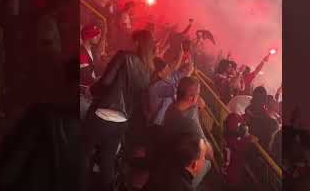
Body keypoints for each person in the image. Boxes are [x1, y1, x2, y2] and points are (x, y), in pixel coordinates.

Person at [81, 29, 155, 191]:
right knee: (107, 160)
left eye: (131, 40)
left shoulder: (124, 56)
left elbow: (106, 82)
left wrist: (90, 91)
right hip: (122, 121)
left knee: (83, 152)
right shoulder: (147, 69)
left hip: (103, 113)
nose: (128, 43)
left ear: (137, 43)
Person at [162, 76, 213, 188]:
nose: (199, 97)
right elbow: (208, 152)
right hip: (179, 170)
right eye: (198, 94)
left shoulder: (173, 106)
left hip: (168, 155)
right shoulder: (189, 121)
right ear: (191, 97)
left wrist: (198, 105)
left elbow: (197, 104)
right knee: (208, 163)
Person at [147, 54, 194, 126]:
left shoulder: (166, 79)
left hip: (167, 120)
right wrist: (188, 73)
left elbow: (176, 76)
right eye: (166, 70)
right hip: (159, 124)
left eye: (168, 68)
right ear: (159, 74)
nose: (169, 71)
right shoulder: (156, 87)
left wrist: (188, 64)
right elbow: (174, 89)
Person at [222, 113, 259, 191]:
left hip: (227, 172)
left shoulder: (227, 138)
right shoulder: (236, 143)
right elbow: (243, 143)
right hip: (234, 177)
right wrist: (249, 138)